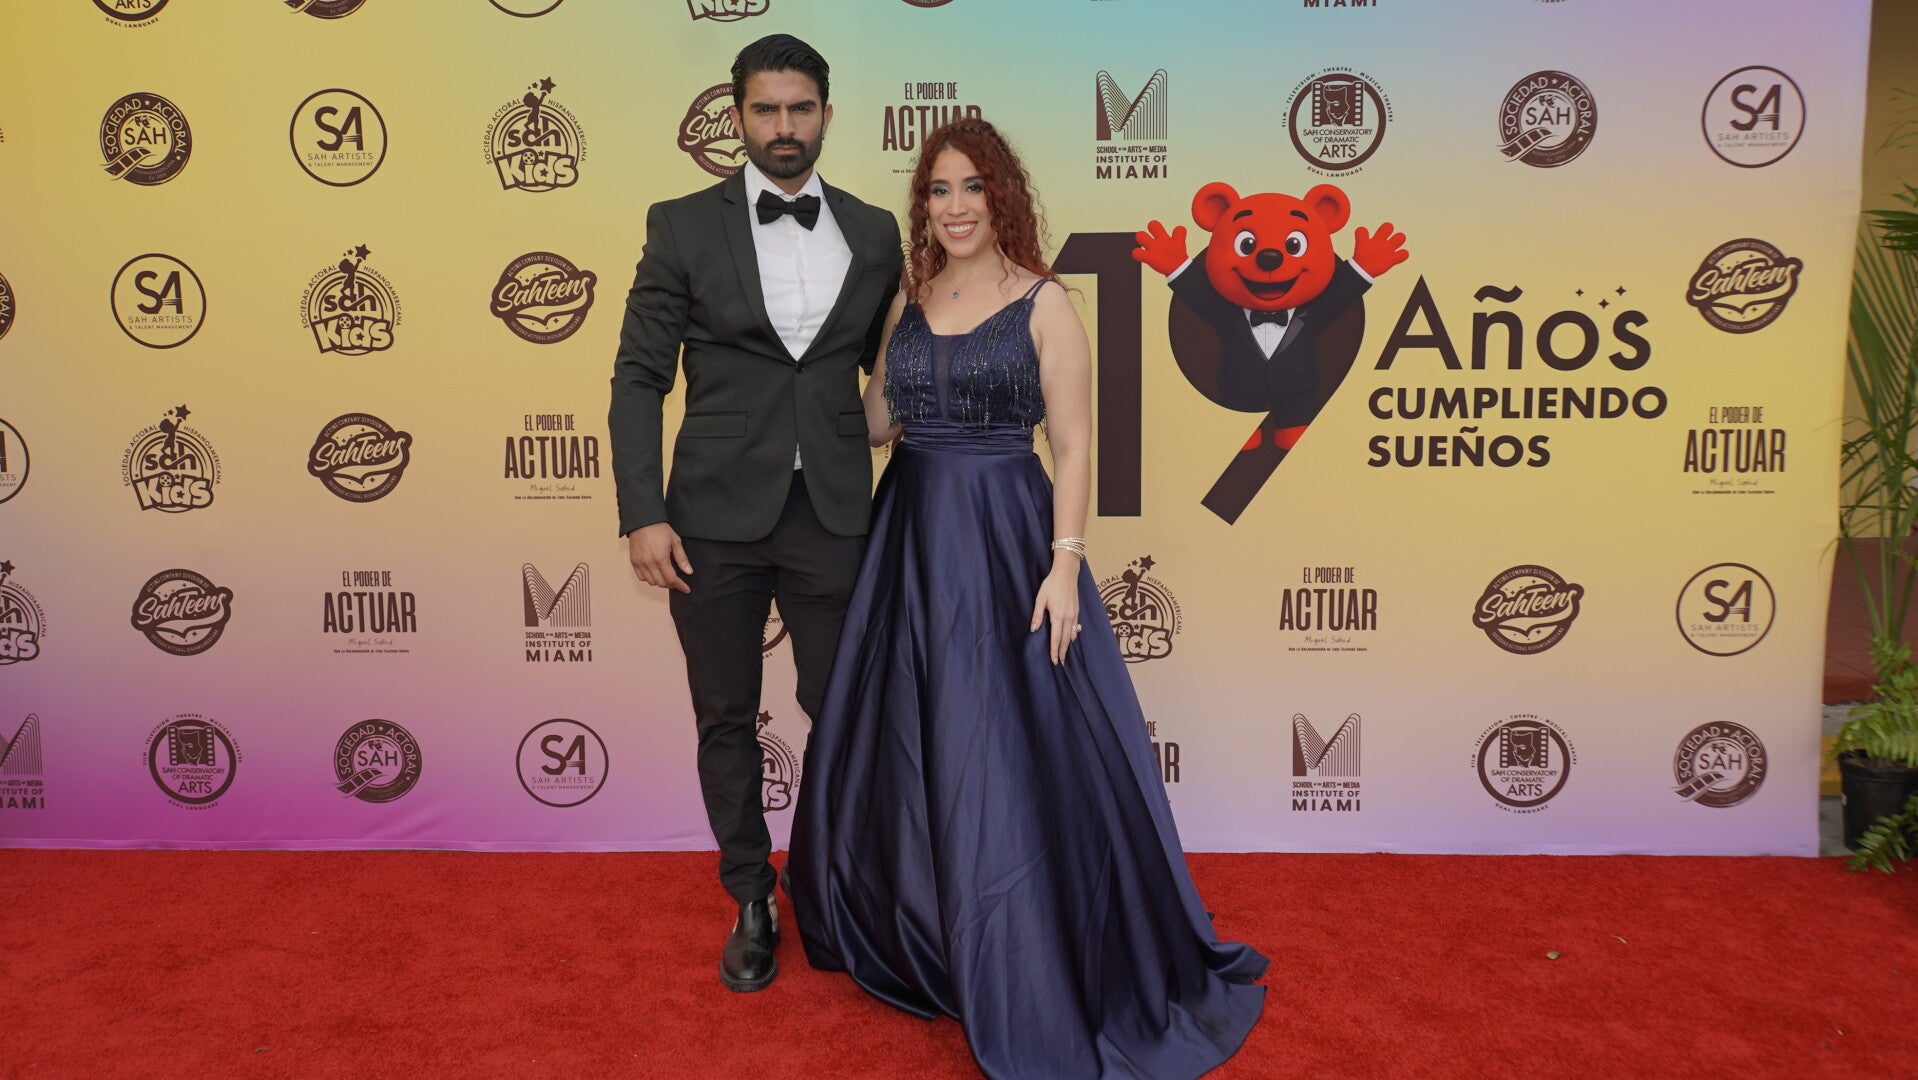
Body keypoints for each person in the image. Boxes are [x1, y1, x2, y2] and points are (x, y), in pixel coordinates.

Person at [787, 117, 1267, 1079]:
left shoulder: (1046, 304)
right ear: (923, 206)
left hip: (1007, 537)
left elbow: (1075, 446)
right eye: (938, 191)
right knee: (913, 733)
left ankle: (1026, 941)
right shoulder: (910, 297)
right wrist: (810, 361)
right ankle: (928, 927)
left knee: (1002, 742)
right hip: (909, 536)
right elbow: (876, 423)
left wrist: (1064, 564)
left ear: (1001, 196)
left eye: (972, 187)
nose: (955, 206)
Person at [608, 33, 902, 993]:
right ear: (737, 117)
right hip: (710, 517)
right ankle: (751, 895)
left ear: (826, 115)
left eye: (800, 108)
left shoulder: (875, 232)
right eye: (766, 109)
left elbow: (895, 364)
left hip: (833, 511)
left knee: (845, 710)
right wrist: (643, 512)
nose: (784, 127)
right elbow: (639, 377)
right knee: (726, 714)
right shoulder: (681, 225)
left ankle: (833, 882)